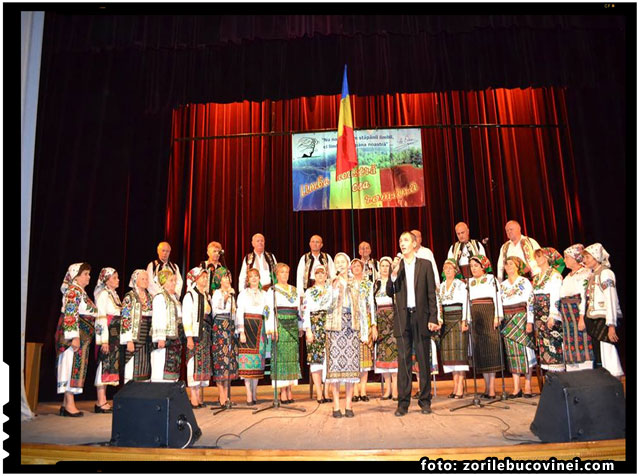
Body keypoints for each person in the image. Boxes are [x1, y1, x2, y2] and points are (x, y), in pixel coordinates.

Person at [387, 231, 438, 416]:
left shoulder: (425, 265)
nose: (402, 243)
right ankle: (403, 403)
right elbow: (389, 291)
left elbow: (431, 294)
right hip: (403, 319)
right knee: (404, 362)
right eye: (400, 240)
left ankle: (425, 401)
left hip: (421, 317)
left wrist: (433, 318)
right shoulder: (397, 267)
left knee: (424, 360)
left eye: (406, 240)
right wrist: (392, 275)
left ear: (414, 243)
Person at [326, 252, 366, 418]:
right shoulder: (330, 283)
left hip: (352, 326)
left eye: (343, 262)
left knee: (350, 368)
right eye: (337, 262)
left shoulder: (355, 283)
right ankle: (336, 405)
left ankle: (349, 405)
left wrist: (364, 330)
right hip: (335, 327)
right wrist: (333, 291)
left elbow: (362, 307)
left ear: (348, 264)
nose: (340, 264)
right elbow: (325, 304)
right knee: (335, 367)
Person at [55, 263, 97, 417]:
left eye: (88, 273)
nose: (88, 277)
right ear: (76, 276)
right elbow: (70, 314)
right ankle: (69, 403)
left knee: (74, 365)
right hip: (73, 335)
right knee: (70, 365)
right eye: (85, 273)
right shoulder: (73, 291)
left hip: (81, 336)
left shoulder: (80, 292)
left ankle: (66, 403)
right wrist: (74, 336)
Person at [266, 263, 310, 403]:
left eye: (286, 272)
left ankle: (290, 389)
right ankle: (282, 391)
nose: (284, 275)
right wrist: (272, 328)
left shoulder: (294, 290)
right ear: (276, 274)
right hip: (280, 325)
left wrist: (300, 326)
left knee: (292, 358)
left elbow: (299, 310)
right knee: (281, 358)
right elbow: (268, 311)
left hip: (292, 324)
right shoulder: (272, 290)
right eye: (282, 272)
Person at [582, 243, 624, 378]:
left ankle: (614, 379)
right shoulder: (593, 274)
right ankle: (605, 380)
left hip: (604, 319)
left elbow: (611, 298)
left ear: (596, 257)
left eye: (587, 257)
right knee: (600, 352)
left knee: (608, 350)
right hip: (595, 318)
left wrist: (611, 324)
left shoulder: (605, 273)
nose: (585, 260)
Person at [500, 256, 536, 398]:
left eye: (511, 264)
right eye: (506, 264)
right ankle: (516, 387)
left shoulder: (524, 282)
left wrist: (530, 321)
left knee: (526, 351)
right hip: (508, 318)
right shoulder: (502, 285)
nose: (508, 266)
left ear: (517, 266)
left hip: (522, 317)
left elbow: (530, 302)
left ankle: (528, 385)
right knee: (512, 353)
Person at [468, 255, 503, 399]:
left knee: (491, 350)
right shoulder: (469, 282)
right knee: (481, 351)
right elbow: (467, 302)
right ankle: (486, 387)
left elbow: (497, 298)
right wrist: (468, 319)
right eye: (471, 266)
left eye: (476, 265)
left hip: (489, 313)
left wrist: (497, 316)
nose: (473, 268)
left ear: (483, 266)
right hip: (476, 316)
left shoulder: (491, 279)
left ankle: (492, 389)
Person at [236, 268, 270, 405]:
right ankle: (248, 394)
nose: (254, 279)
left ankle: (255, 392)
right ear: (247, 279)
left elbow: (267, 311)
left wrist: (268, 328)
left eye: (256, 276)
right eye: (251, 277)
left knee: (257, 362)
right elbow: (239, 312)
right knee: (246, 362)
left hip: (260, 328)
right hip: (248, 327)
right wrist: (241, 331)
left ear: (259, 278)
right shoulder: (243, 294)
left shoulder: (265, 294)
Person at [437, 259, 469, 398]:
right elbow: (438, 305)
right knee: (449, 355)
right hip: (446, 321)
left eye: (450, 268)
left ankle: (460, 386)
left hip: (458, 318)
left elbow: (465, 303)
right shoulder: (442, 286)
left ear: (455, 271)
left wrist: (464, 320)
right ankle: (454, 385)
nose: (448, 270)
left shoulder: (460, 285)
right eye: (445, 268)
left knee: (459, 354)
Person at [559, 244, 595, 371]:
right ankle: (573, 372)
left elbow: (584, 297)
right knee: (570, 342)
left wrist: (581, 317)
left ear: (575, 258)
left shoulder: (585, 273)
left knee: (582, 340)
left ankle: (586, 371)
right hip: (567, 315)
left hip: (577, 312)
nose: (564, 260)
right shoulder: (568, 276)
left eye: (567, 257)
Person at [182, 267, 213, 408]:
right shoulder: (190, 295)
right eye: (202, 277)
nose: (205, 280)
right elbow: (186, 317)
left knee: (203, 364)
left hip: (205, 333)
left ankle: (200, 397)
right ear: (195, 279)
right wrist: (189, 336)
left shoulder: (206, 295)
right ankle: (194, 398)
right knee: (194, 364)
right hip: (195, 334)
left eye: (206, 277)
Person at [302, 265, 333, 403]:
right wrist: (308, 329)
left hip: (329, 324)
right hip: (314, 324)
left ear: (326, 275)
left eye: (323, 273)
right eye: (318, 273)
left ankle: (327, 392)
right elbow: (306, 311)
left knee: (329, 359)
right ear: (314, 276)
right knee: (316, 360)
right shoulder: (309, 291)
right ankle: (319, 393)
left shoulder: (331, 290)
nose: (320, 276)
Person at [531, 248, 565, 372]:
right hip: (539, 314)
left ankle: (558, 374)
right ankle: (550, 377)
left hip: (549, 312)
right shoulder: (537, 277)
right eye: (537, 257)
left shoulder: (555, 275)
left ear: (547, 258)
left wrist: (553, 315)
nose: (537, 259)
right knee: (543, 344)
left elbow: (556, 295)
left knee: (553, 342)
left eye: (540, 256)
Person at [210, 268, 241, 407]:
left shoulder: (233, 294)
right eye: (224, 277)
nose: (227, 280)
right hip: (220, 328)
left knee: (229, 362)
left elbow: (235, 312)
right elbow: (216, 309)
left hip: (230, 327)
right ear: (219, 280)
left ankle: (227, 396)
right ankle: (221, 397)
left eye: (228, 277)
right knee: (221, 362)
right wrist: (227, 297)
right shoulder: (216, 293)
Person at [93, 267, 121, 413]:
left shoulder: (113, 294)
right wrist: (103, 340)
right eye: (114, 277)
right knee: (103, 364)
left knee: (109, 365)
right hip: (107, 333)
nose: (118, 280)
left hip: (114, 334)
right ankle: (100, 400)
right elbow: (100, 318)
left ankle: (103, 399)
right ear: (107, 279)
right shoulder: (103, 294)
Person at [350, 258, 377, 402]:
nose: (356, 267)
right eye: (353, 266)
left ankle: (363, 391)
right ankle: (354, 392)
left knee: (365, 358)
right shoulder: (348, 284)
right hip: (352, 323)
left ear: (362, 267)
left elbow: (372, 304)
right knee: (354, 357)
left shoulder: (368, 284)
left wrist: (373, 323)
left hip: (365, 322)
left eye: (358, 265)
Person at [150, 269, 183, 385]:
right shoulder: (160, 297)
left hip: (175, 337)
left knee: (173, 367)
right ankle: (159, 395)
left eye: (174, 280)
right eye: (171, 280)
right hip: (165, 338)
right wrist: (161, 337)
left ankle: (169, 395)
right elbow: (158, 317)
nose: (174, 283)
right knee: (161, 365)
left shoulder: (174, 298)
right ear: (163, 282)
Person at [120, 269, 153, 383]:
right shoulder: (130, 297)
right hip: (135, 337)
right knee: (132, 366)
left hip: (147, 337)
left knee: (146, 366)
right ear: (135, 281)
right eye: (142, 279)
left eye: (147, 279)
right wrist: (128, 340)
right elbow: (125, 319)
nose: (145, 281)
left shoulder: (150, 298)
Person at [374, 257, 398, 400]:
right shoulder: (375, 284)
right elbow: (372, 304)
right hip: (380, 320)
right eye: (382, 265)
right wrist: (374, 325)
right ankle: (387, 389)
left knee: (394, 354)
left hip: (393, 318)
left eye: (386, 265)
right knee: (383, 355)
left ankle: (395, 389)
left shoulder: (394, 282)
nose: (384, 268)